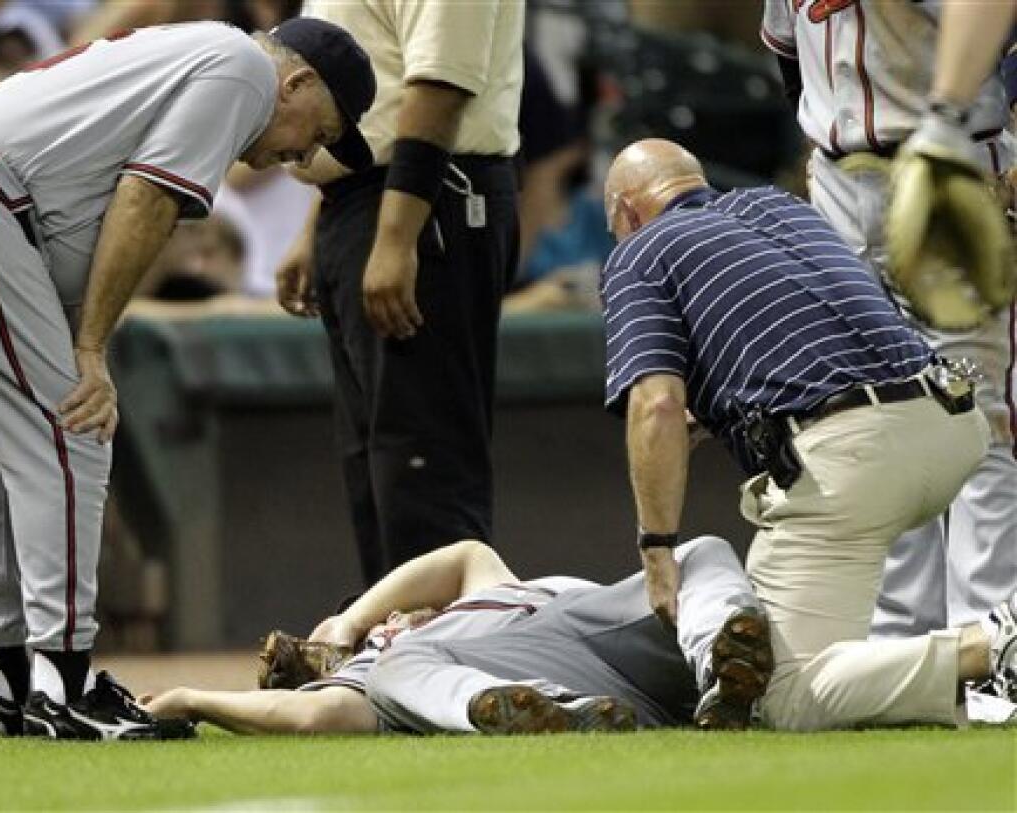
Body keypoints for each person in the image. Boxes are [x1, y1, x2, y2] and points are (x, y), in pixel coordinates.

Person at [0, 18, 375, 741]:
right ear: (298, 83)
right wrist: (91, 349)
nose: (304, 154)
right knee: (74, 431)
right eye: (319, 131)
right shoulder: (246, 70)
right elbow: (147, 199)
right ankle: (63, 688)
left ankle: (0, 684)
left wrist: (79, 338)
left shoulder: (196, 50)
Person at [600, 138, 1017, 731]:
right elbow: (805, 332)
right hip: (948, 421)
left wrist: (657, 548)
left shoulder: (639, 251)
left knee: (782, 695)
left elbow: (658, 407)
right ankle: (991, 695)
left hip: (853, 459)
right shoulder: (784, 206)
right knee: (851, 664)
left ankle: (994, 643)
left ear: (626, 214)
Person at [761, 0, 1017, 647]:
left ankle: (990, 646)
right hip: (839, 180)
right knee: (877, 419)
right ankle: (903, 647)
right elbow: (788, 54)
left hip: (949, 165)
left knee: (978, 415)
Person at [275, 1, 524, 585]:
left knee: (424, 458)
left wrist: (394, 235)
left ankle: (450, 659)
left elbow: (440, 83)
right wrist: (318, 217)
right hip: (362, 197)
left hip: (425, 194)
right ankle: (394, 653)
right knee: (374, 460)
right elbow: (360, 91)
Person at [142, 535, 775, 734]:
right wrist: (195, 700)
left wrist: (353, 617)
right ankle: (548, 711)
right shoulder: (383, 665)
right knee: (400, 669)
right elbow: (317, 716)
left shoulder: (482, 588)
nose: (393, 618)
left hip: (612, 628)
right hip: (558, 682)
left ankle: (725, 659)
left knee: (698, 550)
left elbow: (464, 553)